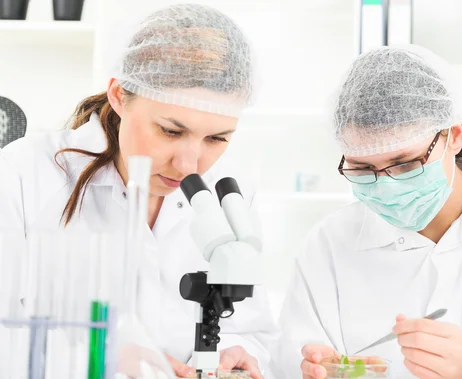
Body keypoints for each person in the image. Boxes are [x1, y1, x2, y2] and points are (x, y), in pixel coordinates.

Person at [270, 45, 462, 379]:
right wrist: (318, 368)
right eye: (363, 169)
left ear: (455, 136)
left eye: (404, 164)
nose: (386, 185)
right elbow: (289, 356)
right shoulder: (331, 241)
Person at [0, 4, 277, 379]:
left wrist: (234, 354)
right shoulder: (23, 173)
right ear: (118, 94)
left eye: (216, 138)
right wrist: (91, 357)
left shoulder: (231, 191)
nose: (189, 164)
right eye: (170, 131)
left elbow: (251, 328)